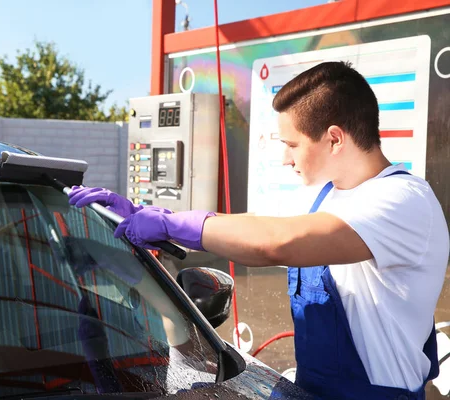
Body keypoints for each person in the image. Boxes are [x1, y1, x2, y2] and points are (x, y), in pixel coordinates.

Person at [68, 61, 450, 400]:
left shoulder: (403, 200)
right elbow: (253, 228)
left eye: (292, 144)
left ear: (334, 138)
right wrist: (148, 213)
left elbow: (276, 244)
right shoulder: (327, 197)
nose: (285, 158)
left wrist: (168, 224)